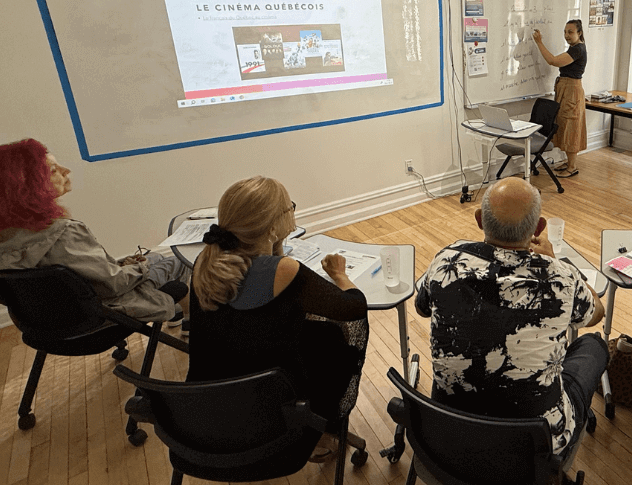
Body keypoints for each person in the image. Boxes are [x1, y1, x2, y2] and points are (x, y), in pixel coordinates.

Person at [414, 177, 607, 455]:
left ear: (480, 220)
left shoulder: (446, 262)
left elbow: (422, 308)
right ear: (539, 228)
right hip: (535, 453)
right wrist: (555, 262)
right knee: (594, 346)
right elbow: (596, 313)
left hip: (451, 435)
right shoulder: (561, 276)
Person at [187, 176, 368, 463]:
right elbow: (354, 307)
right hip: (273, 422)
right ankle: (322, 429)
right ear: (272, 227)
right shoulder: (284, 271)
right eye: (289, 208)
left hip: (212, 412)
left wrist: (275, 245)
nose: (293, 211)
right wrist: (339, 274)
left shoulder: (205, 262)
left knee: (315, 335)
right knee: (335, 340)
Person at [0, 138, 188, 322]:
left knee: (155, 257)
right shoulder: (64, 233)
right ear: (31, 186)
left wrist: (124, 264)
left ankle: (178, 313)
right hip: (105, 311)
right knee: (178, 261)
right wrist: (141, 266)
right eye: (54, 170)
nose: (67, 171)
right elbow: (114, 284)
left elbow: (73, 277)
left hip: (41, 322)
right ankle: (190, 321)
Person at [533, 19, 587, 177]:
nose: (566, 35)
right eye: (565, 32)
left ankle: (572, 167)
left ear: (579, 33)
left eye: (570, 32)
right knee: (563, 123)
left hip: (571, 90)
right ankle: (570, 162)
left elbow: (553, 61)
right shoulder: (573, 48)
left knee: (571, 125)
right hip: (565, 88)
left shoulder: (578, 49)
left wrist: (539, 42)